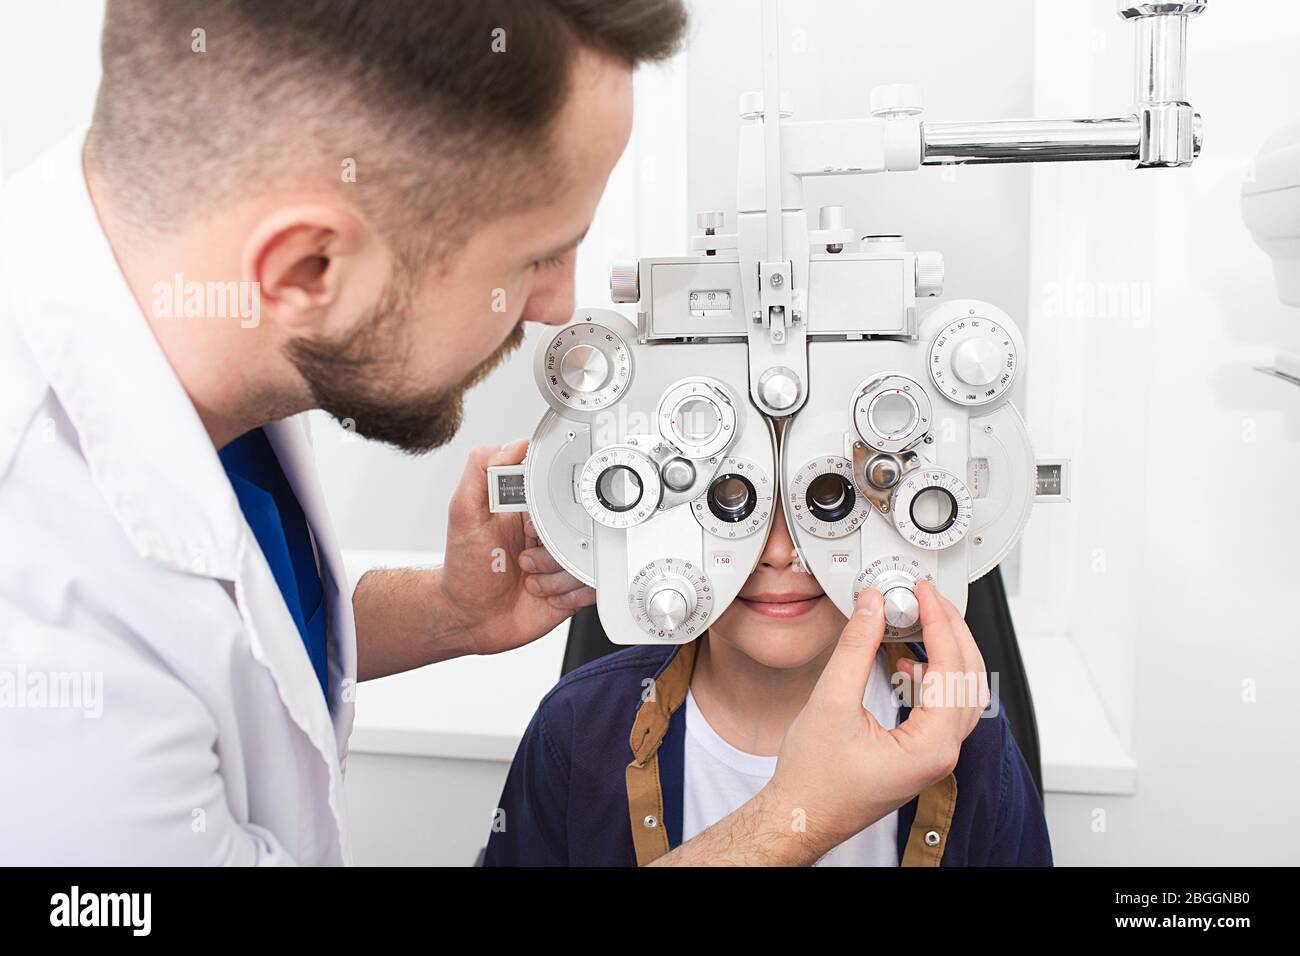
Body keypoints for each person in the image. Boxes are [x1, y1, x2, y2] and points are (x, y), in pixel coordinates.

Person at [0, 0, 988, 866]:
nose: (558, 308)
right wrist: (791, 820)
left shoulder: (157, 318)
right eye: (534, 257)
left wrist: (442, 612)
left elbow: (230, 622)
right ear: (306, 269)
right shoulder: (45, 668)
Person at [484, 450, 1050, 866]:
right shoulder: (576, 728)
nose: (779, 551)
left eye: (828, 499)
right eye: (730, 499)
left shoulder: (962, 733)